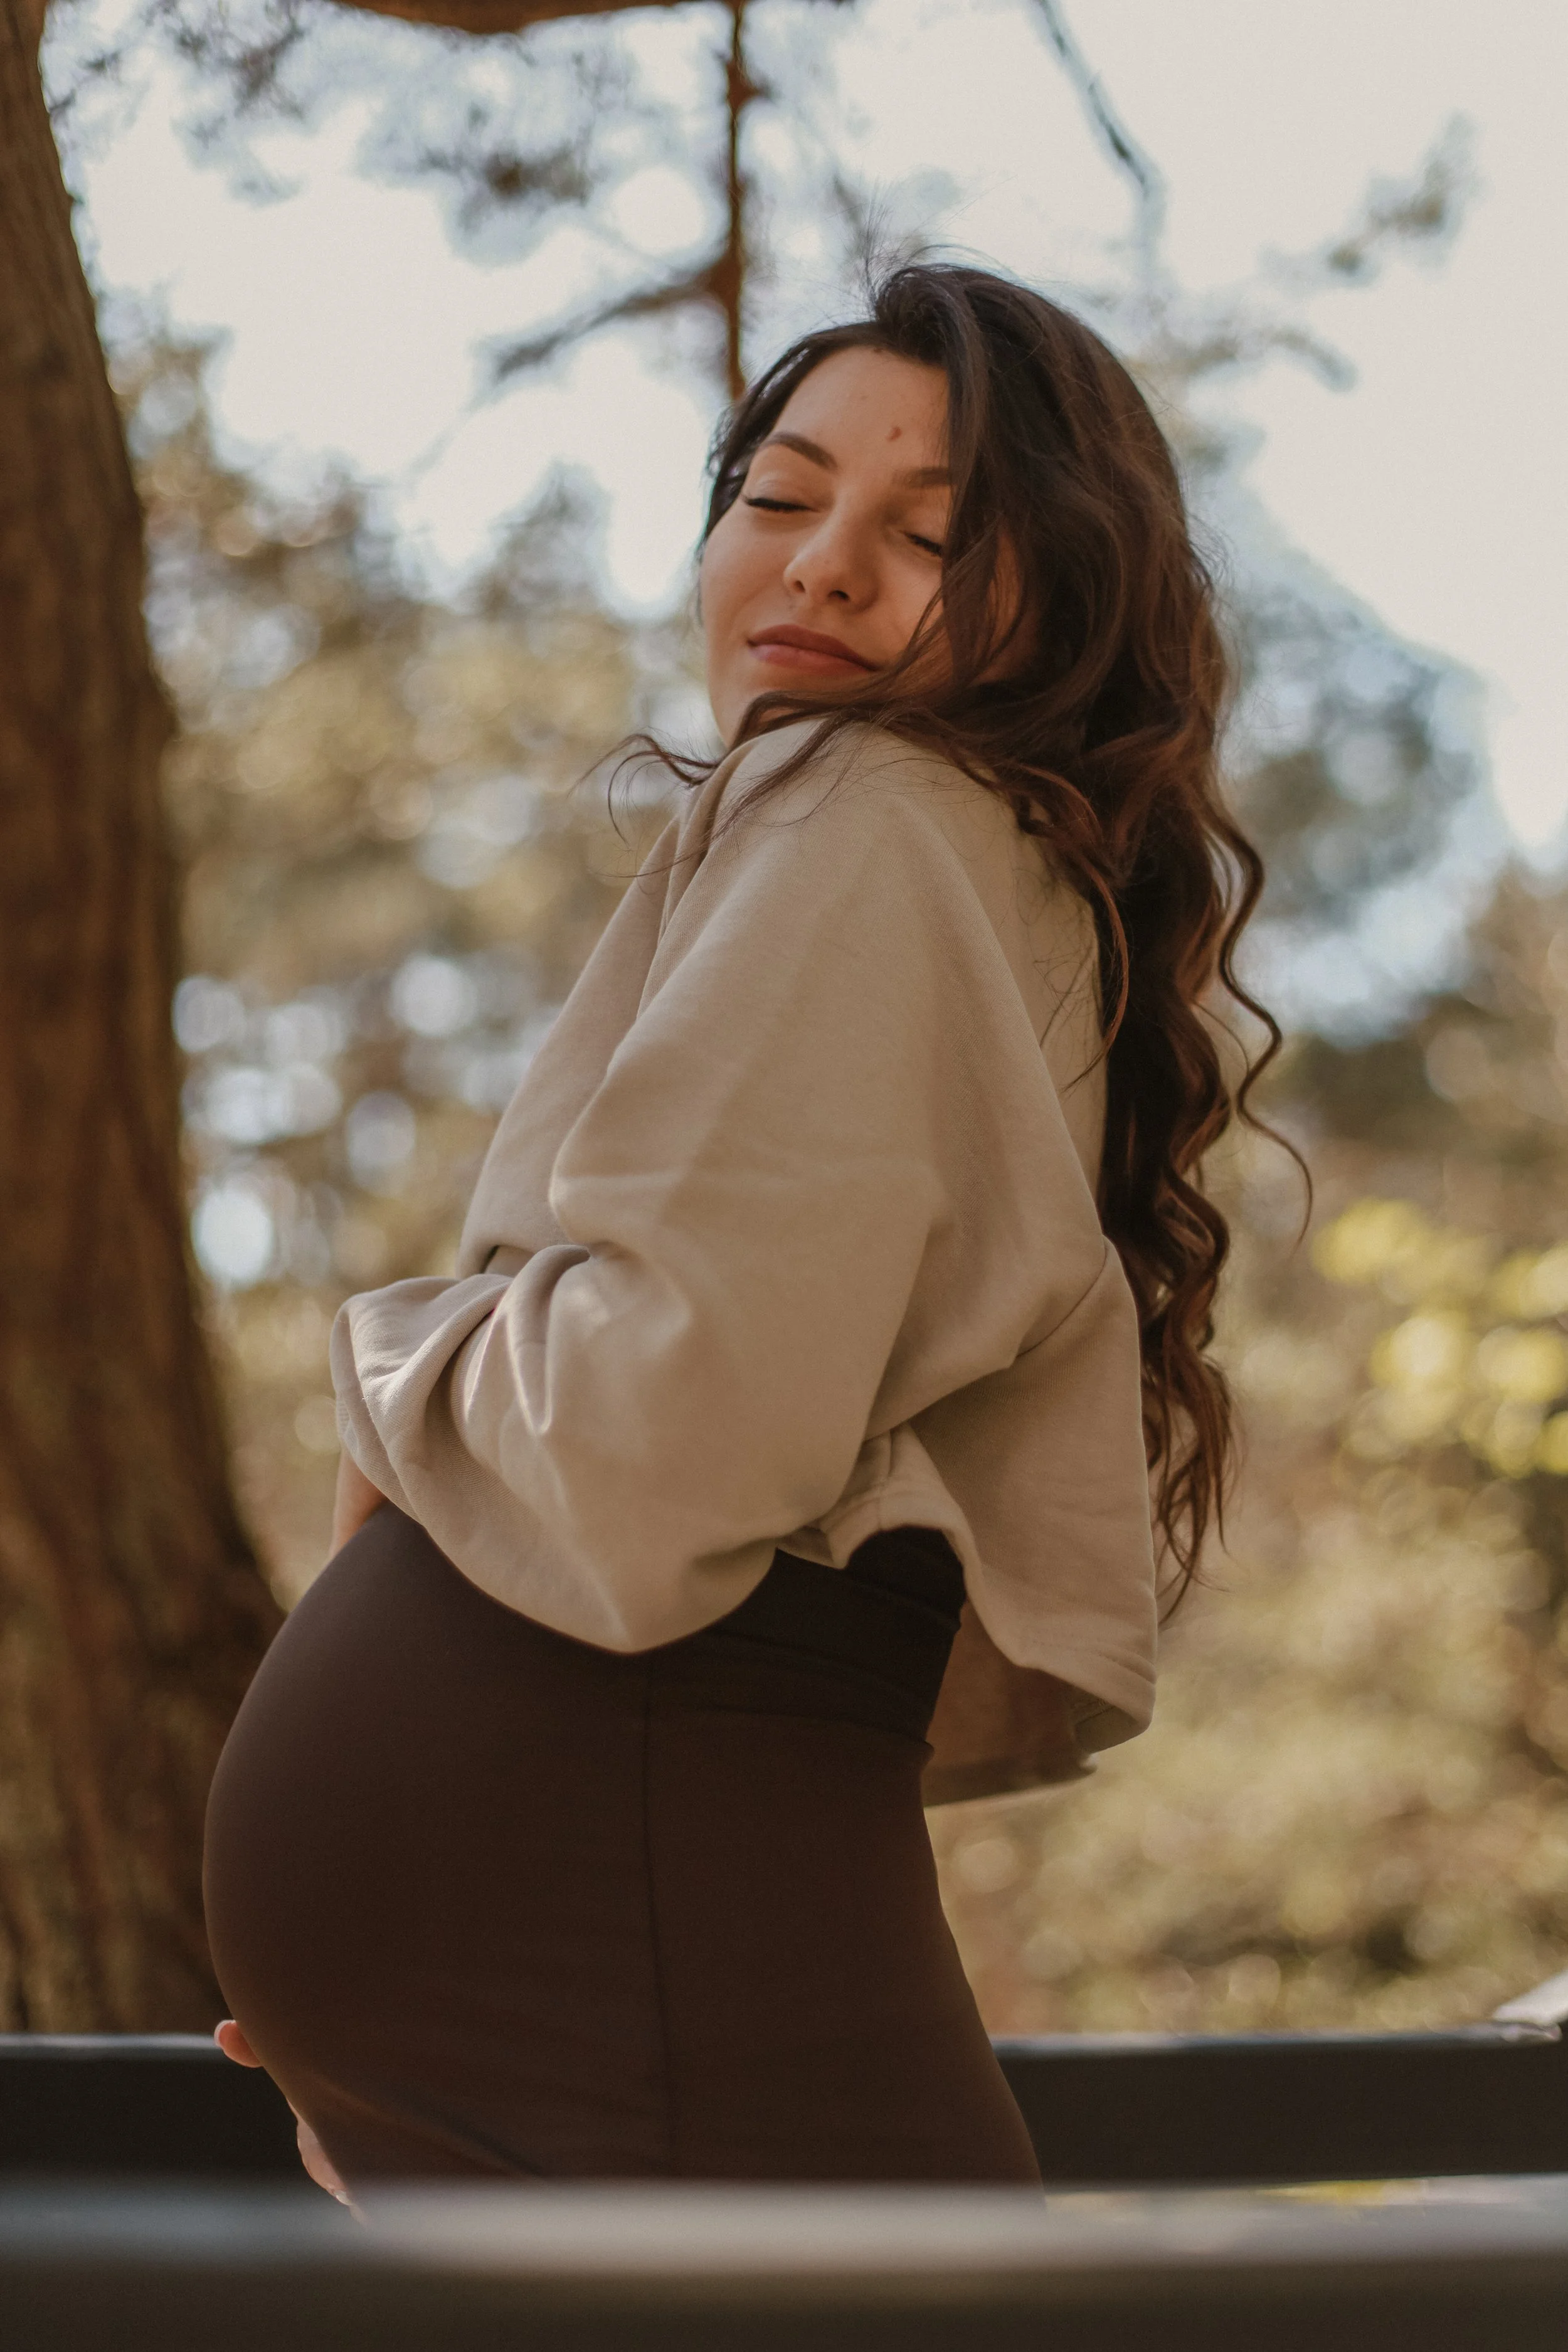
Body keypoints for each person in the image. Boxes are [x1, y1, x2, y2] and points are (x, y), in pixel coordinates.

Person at [203, 260, 1274, 2196]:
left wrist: (386, 1378)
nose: (823, 569)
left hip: (635, 1952)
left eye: (927, 532)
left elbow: (661, 1427)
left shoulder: (871, 810)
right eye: (778, 501)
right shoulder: (911, 844)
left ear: (1070, 598)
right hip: (612, 1971)